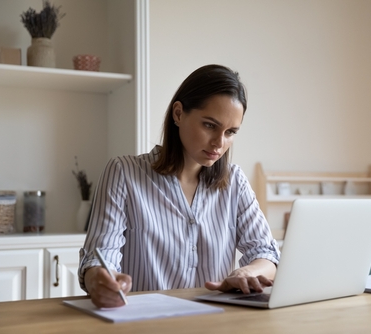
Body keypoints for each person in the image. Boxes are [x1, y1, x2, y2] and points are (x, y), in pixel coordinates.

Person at [78, 64, 280, 308]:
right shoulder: (123, 173)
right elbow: (100, 257)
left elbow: (267, 255)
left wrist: (247, 272)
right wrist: (98, 280)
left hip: (215, 324)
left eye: (230, 132)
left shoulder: (235, 181)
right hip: (144, 324)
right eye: (209, 125)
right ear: (178, 114)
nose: (219, 142)